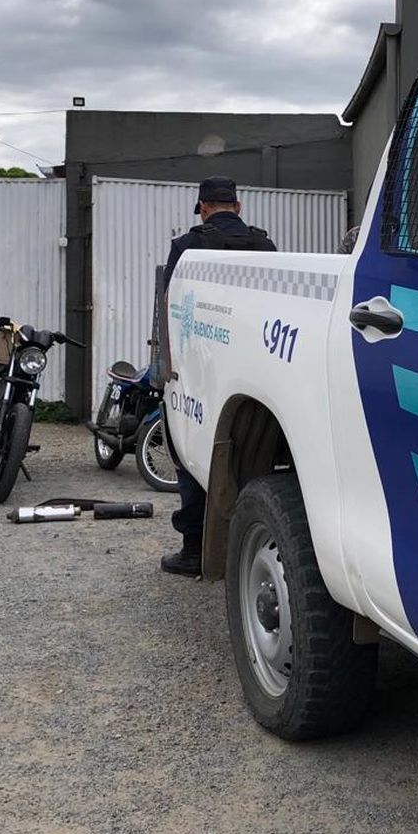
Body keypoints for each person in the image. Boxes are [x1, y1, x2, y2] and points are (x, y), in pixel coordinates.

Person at [159, 176, 276, 576]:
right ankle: (250, 549)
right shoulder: (264, 245)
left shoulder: (186, 248)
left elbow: (169, 306)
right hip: (252, 377)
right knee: (255, 460)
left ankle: (195, 550)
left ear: (204, 207)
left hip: (200, 372)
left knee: (193, 454)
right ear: (238, 207)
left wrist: (168, 369)